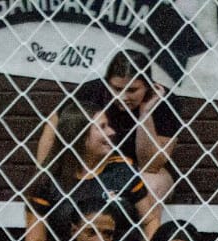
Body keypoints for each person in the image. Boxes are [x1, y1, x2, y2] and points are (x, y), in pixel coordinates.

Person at [36, 52, 178, 214]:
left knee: (152, 187)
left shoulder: (164, 101)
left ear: (148, 86)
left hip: (139, 170)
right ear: (107, 83)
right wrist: (43, 173)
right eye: (116, 88)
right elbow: (52, 127)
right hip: (90, 165)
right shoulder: (91, 92)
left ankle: (137, 237)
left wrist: (145, 114)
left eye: (132, 90)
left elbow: (151, 165)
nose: (122, 97)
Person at [24, 105, 155, 241]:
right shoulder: (48, 180)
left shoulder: (123, 170)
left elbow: (151, 220)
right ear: (79, 135)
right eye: (102, 127)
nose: (111, 132)